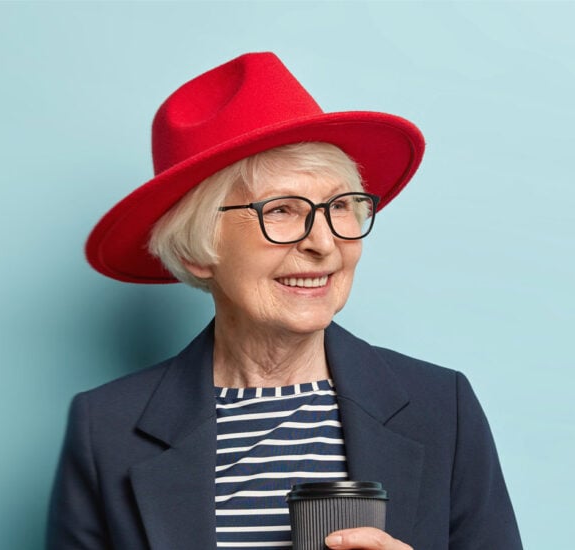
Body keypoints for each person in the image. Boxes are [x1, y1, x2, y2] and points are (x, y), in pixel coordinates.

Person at [47, 52, 522, 550]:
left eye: (340, 206)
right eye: (282, 211)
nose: (324, 243)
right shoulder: (105, 428)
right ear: (197, 252)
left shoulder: (440, 407)